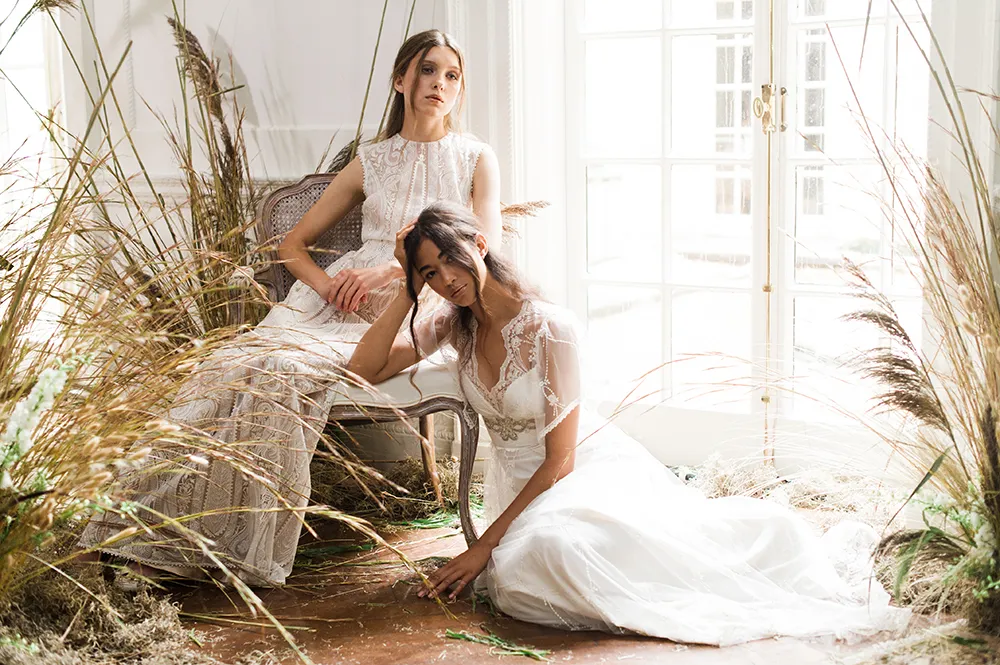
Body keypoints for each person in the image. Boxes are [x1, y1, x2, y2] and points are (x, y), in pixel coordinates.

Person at [346, 200, 910, 646]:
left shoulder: (551, 328)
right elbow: (363, 369)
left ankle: (769, 542)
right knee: (525, 579)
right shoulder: (452, 324)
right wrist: (405, 284)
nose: (445, 278)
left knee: (551, 555)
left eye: (449, 259)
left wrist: (481, 549)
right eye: (429, 271)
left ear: (479, 245)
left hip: (576, 474)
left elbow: (559, 460)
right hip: (517, 490)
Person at [78, 29, 502, 587]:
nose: (439, 85)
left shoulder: (474, 157)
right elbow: (290, 248)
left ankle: (221, 545)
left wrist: (392, 271)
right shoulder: (370, 161)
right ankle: (142, 528)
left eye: (452, 76)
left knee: (281, 372)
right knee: (225, 369)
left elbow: (480, 246)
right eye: (427, 71)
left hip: (418, 299)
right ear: (401, 80)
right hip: (330, 306)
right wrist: (327, 288)